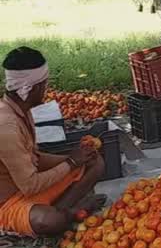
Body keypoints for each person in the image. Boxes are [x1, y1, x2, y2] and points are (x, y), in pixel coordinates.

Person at [0, 47, 106, 237]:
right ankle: (69, 213)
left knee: (95, 163)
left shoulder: (20, 109)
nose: (46, 88)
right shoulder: (7, 126)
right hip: (8, 202)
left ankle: (63, 210)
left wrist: (76, 158)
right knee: (48, 221)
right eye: (44, 83)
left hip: (27, 189)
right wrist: (71, 162)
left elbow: (35, 158)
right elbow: (30, 185)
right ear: (33, 87)